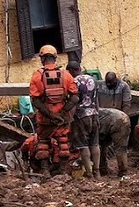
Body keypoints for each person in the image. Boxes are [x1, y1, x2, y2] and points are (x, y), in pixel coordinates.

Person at [28, 45, 78, 174]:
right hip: (62, 117)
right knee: (63, 143)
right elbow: (74, 97)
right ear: (55, 58)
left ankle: (45, 172)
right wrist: (60, 113)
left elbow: (36, 100)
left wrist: (50, 114)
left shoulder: (37, 75)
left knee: (43, 144)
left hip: (45, 118)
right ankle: (62, 172)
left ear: (42, 59)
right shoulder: (65, 75)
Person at [67, 61, 101, 178]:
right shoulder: (92, 80)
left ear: (71, 71)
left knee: (83, 145)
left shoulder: (74, 82)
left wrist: (69, 119)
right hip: (94, 114)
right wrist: (97, 112)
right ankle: (97, 171)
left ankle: (89, 173)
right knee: (95, 144)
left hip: (81, 116)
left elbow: (75, 100)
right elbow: (96, 99)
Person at [97, 108, 131, 177]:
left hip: (116, 120)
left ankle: (123, 171)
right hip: (121, 117)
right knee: (102, 146)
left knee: (120, 148)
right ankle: (103, 169)